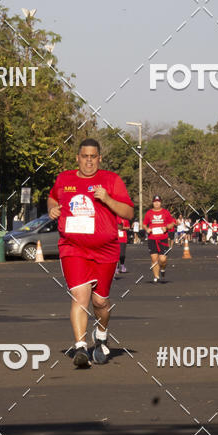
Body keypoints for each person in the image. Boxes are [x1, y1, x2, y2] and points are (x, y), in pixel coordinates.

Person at [48, 139, 134, 368]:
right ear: (77, 157)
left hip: (106, 250)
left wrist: (107, 198)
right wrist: (52, 209)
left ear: (100, 158)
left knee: (100, 302)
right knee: (80, 297)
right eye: (84, 156)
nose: (89, 160)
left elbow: (128, 211)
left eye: (93, 156)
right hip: (73, 248)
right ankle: (80, 347)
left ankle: (102, 333)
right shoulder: (64, 179)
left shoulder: (111, 180)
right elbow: (52, 197)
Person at [143, 195, 176, 283]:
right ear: (153, 203)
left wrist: (166, 227)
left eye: (158, 201)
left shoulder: (165, 212)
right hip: (152, 239)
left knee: (162, 259)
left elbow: (172, 223)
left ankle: (163, 269)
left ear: (161, 202)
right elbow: (144, 224)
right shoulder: (149, 213)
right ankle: (156, 276)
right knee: (154, 258)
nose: (157, 203)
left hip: (163, 239)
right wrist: (147, 229)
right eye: (155, 201)